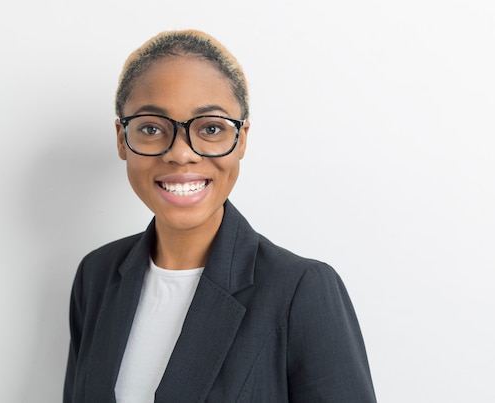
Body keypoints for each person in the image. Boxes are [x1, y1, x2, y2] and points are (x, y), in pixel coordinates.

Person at [63, 29, 377, 402]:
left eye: (210, 128)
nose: (180, 154)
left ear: (241, 140)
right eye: (151, 128)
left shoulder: (300, 289)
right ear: (121, 138)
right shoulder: (96, 275)